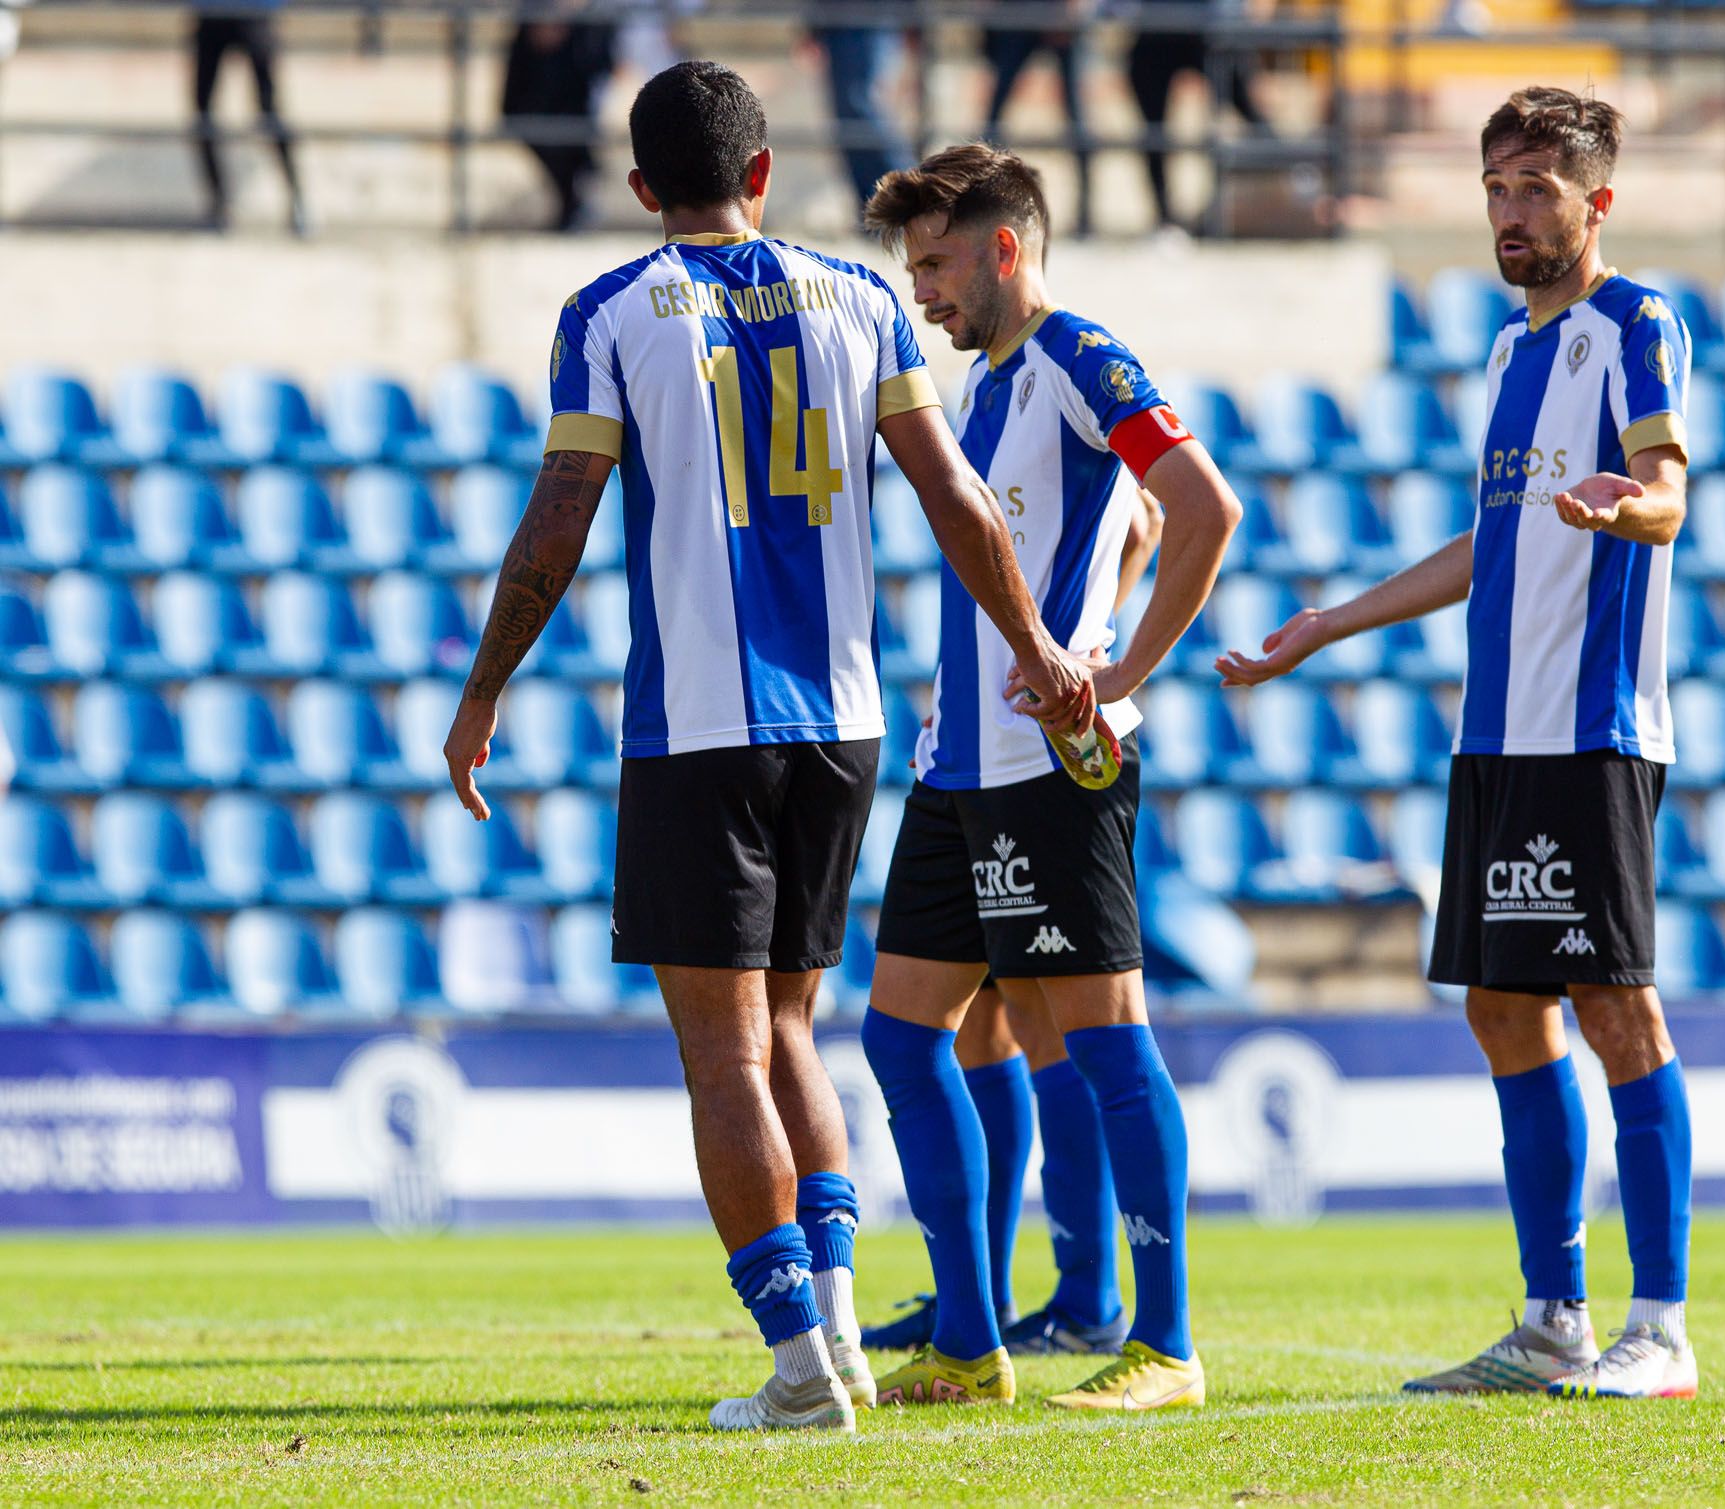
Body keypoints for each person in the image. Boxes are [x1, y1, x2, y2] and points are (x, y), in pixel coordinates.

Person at [442, 62, 1094, 1435]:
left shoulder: (610, 311)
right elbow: (957, 495)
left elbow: (562, 515)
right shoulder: (861, 300)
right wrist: (1035, 643)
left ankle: (798, 1362)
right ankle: (843, 1332)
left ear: (638, 190)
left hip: (700, 725)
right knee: (794, 1026)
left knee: (726, 1055)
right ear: (762, 172)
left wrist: (486, 683)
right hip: (844, 722)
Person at [1218, 86, 1697, 1401]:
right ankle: (1555, 1316)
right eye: (1496, 186)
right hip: (1499, 733)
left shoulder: (1635, 322)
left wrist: (1622, 506)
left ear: (1597, 202)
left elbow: (1668, 488)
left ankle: (1661, 1326)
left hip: (1591, 722)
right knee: (1501, 1007)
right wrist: (1331, 621)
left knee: (1616, 1006)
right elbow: (1495, 544)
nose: (1510, 210)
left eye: (1537, 187)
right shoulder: (1508, 354)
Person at [860, 143, 1242, 1411]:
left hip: (1047, 768)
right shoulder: (983, 391)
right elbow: (1118, 528)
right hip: (956, 766)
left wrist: (1120, 672)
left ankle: (1166, 1345)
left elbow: (1200, 506)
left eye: (935, 264)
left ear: (1003, 247)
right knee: (902, 1035)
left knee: (1106, 1040)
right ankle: (971, 1344)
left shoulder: (1081, 357)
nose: (922, 294)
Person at [865, 492, 1164, 1358]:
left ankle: (1086, 1297)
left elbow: (1149, 520)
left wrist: (1085, 650)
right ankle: (985, 1299)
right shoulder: (990, 395)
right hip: (971, 753)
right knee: (984, 1024)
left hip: (1033, 754)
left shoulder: (1067, 373)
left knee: (1044, 1020)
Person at [1125, 0, 1268, 234]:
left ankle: (1298, 181)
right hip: (1156, 27)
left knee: (1249, 110)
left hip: (1209, 28)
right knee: (1154, 130)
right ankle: (1165, 217)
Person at [981, 0, 1095, 238]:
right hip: (1018, 11)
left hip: (1053, 11)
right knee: (994, 116)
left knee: (1077, 116)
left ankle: (1087, 212)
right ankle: (979, 203)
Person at [190, 0, 305, 233]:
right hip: (213, 12)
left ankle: (296, 198)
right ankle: (219, 203)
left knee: (269, 108)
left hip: (254, 11)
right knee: (203, 112)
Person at [501, 9, 615, 232]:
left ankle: (575, 199)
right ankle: (573, 198)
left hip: (575, 85)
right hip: (535, 92)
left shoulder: (589, 30)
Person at [809, 18, 912, 212]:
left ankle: (909, 192)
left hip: (871, 18)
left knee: (860, 105)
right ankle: (874, 207)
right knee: (848, 117)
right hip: (839, 20)